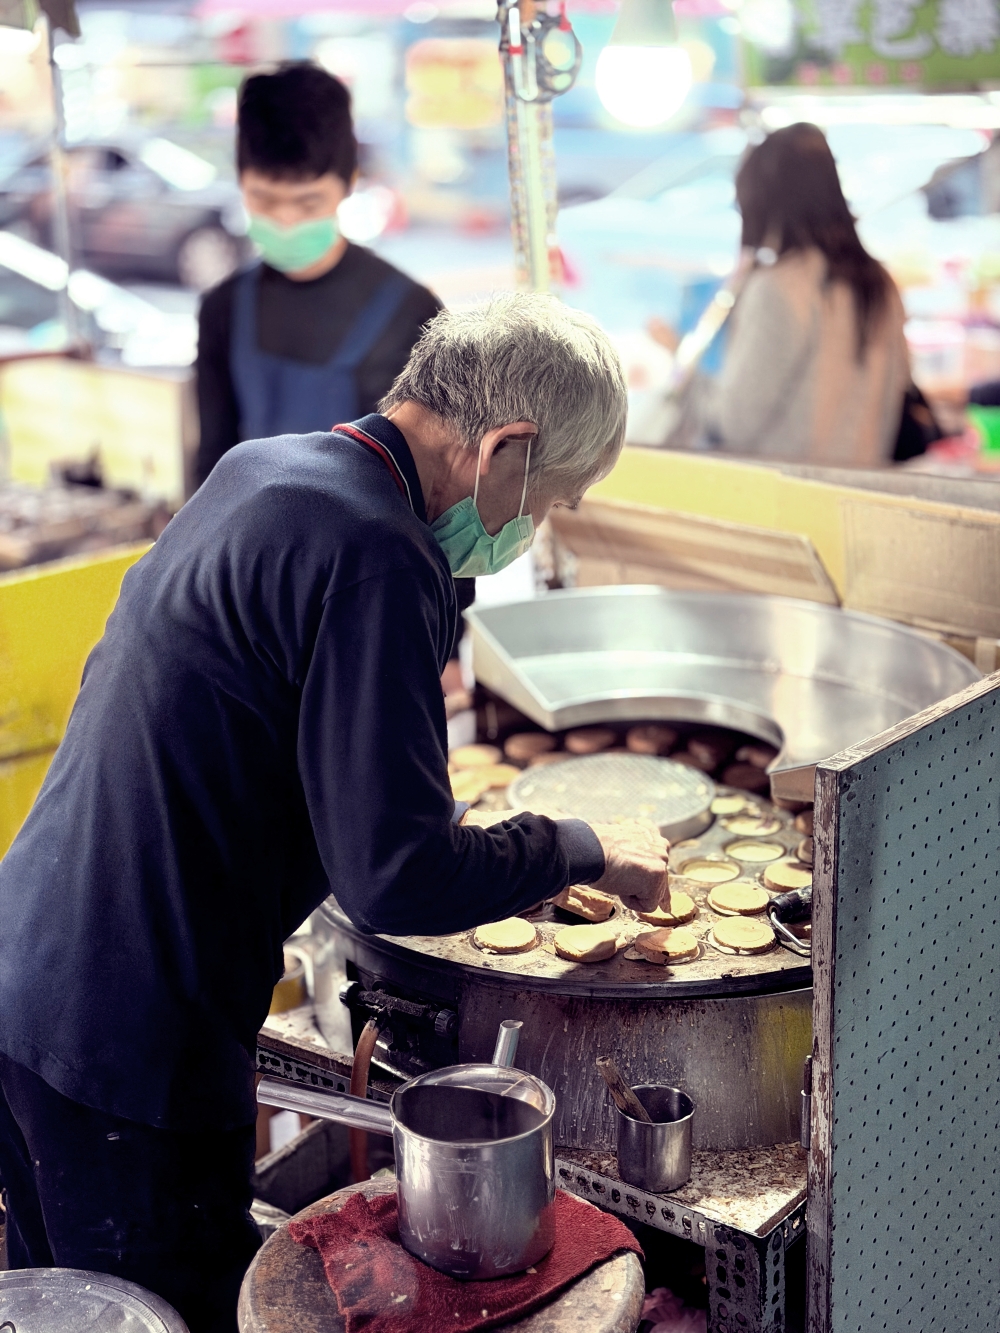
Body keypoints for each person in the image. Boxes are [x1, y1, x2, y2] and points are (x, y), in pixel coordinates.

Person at [0, 293, 668, 1333]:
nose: (535, 525)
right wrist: (578, 848)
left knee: (63, 1308)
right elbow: (396, 878)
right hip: (129, 1037)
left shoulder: (267, 470)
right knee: (165, 1312)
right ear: (505, 448)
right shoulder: (377, 553)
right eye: (551, 498)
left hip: (27, 968)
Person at [194, 63, 442, 488]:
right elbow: (211, 468)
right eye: (264, 199)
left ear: (349, 182)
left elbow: (432, 484)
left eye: (308, 202)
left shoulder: (413, 314)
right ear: (240, 182)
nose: (286, 219)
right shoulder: (224, 309)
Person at [660, 122, 910, 466]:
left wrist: (681, 363)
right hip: (862, 487)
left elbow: (735, 422)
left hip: (784, 492)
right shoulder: (879, 282)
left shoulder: (779, 287)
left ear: (762, 200)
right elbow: (894, 398)